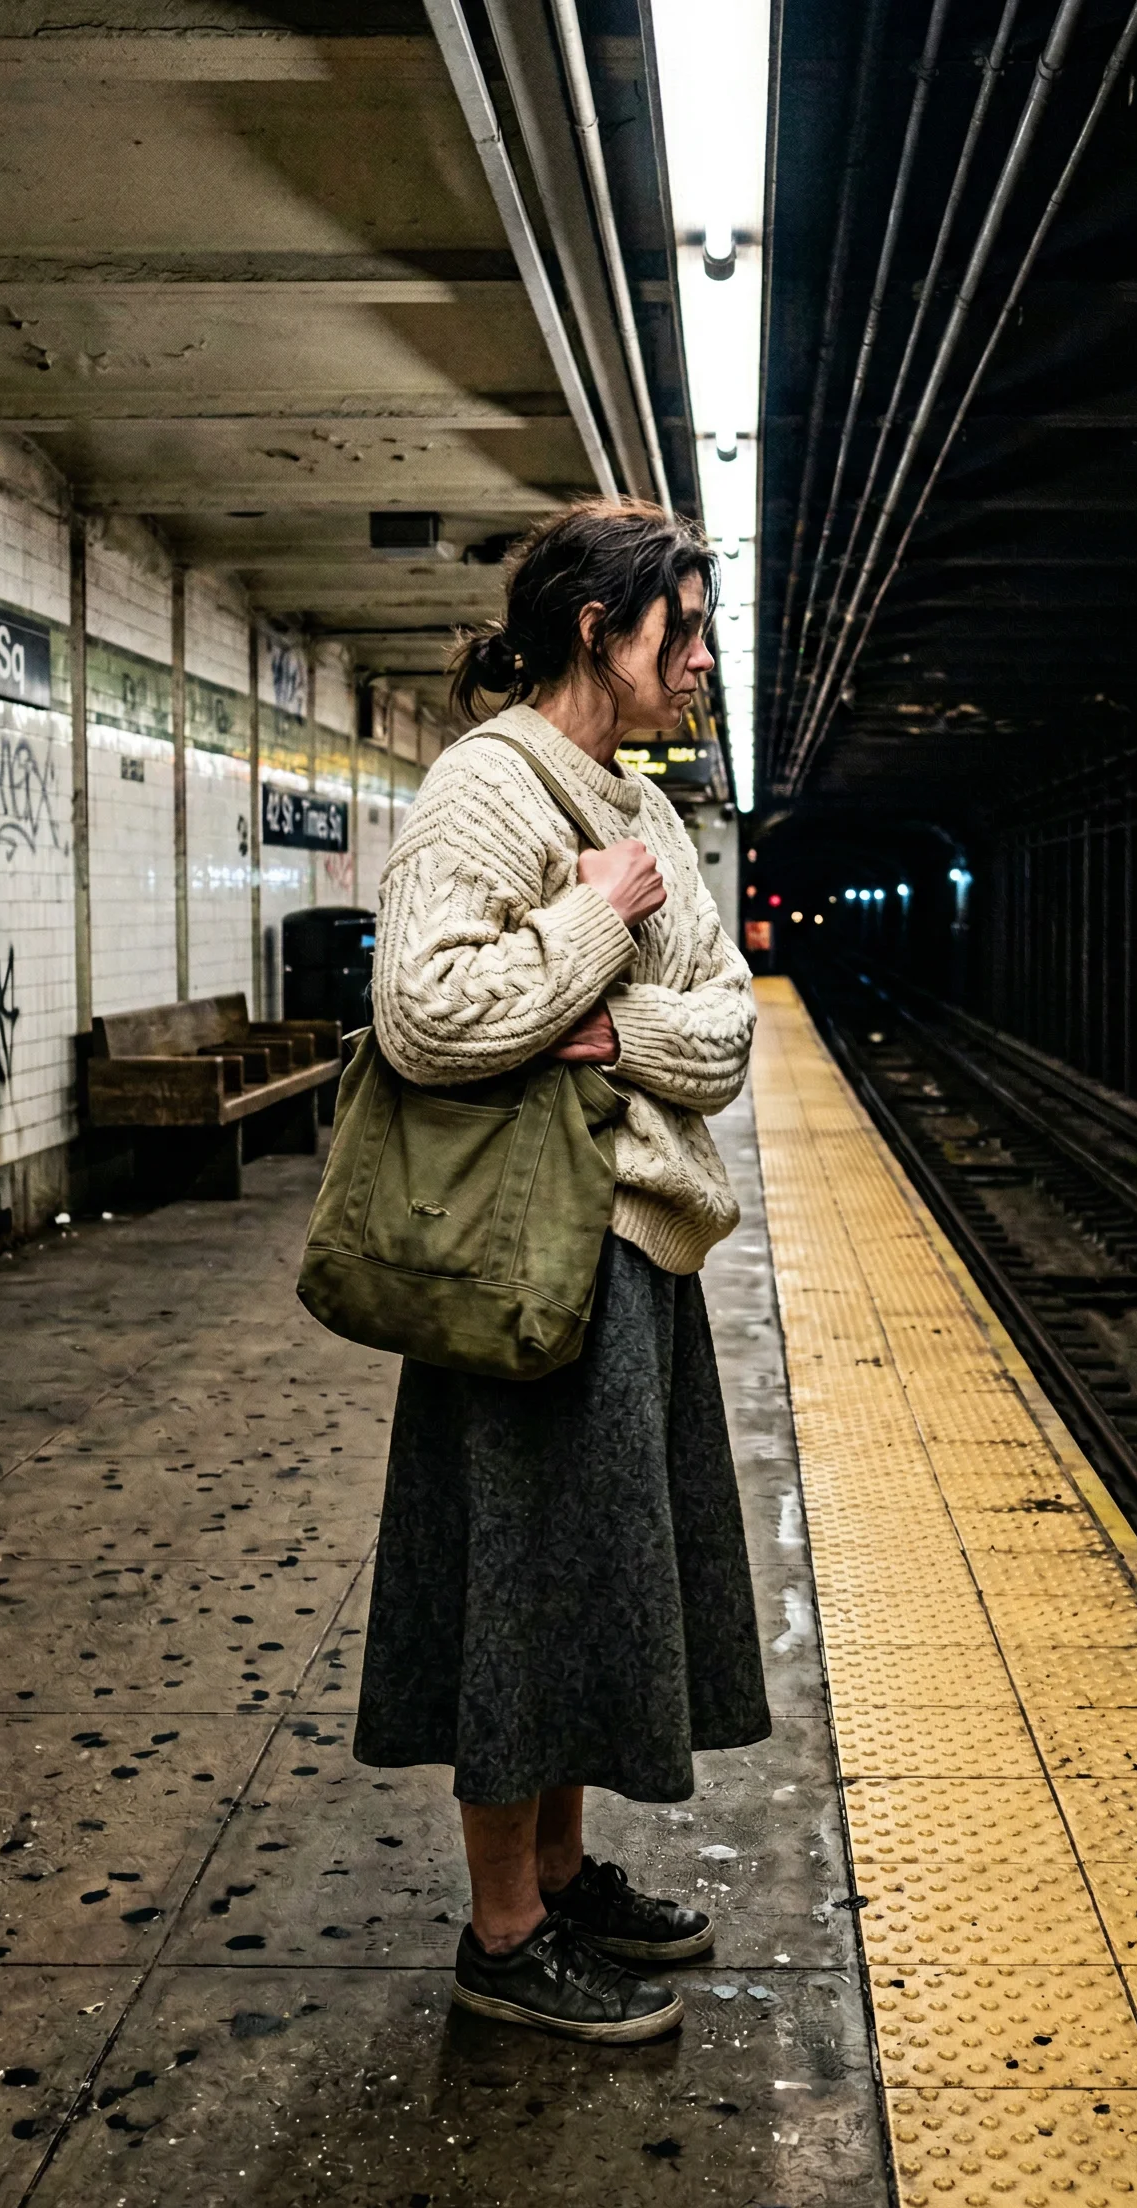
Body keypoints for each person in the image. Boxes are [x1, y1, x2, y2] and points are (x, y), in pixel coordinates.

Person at [355, 499, 770, 2043]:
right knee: (519, 1599)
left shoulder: (645, 805)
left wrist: (606, 1033)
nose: (706, 659)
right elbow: (431, 1015)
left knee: (592, 1587)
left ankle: (569, 1871)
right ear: (601, 627)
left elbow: (726, 1031)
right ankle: (505, 1932)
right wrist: (594, 928)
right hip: (521, 1270)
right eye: (689, 627)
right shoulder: (486, 790)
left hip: (632, 1256)